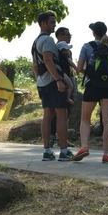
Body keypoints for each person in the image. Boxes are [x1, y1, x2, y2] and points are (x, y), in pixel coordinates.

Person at [73, 21, 108, 164]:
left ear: (93, 33)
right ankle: (106, 154)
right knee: (107, 121)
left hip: (92, 86)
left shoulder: (87, 46)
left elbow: (79, 69)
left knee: (85, 119)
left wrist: (90, 73)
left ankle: (84, 146)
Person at [31, 11, 74, 162]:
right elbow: (48, 60)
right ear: (43, 23)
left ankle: (47, 151)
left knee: (47, 116)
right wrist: (58, 80)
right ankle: (64, 151)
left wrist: (39, 79)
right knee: (62, 114)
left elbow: (35, 65)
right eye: (52, 22)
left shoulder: (35, 42)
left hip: (42, 83)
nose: (55, 25)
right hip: (53, 82)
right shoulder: (48, 40)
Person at [50, 27, 76, 147]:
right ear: (60, 36)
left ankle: (62, 139)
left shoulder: (66, 50)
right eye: (67, 34)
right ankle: (53, 137)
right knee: (58, 112)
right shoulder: (57, 48)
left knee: (66, 112)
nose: (69, 36)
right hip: (60, 80)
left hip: (67, 78)